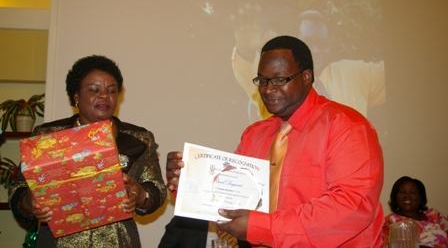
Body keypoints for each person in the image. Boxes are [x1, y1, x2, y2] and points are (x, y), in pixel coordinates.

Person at [167, 35, 384, 247]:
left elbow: (350, 207)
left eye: (280, 79)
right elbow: (234, 195)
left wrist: (262, 227)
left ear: (306, 77)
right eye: (262, 80)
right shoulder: (254, 135)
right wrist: (188, 183)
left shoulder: (347, 126)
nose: (268, 89)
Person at [8, 55, 167, 248]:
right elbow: (17, 188)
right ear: (76, 95)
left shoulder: (138, 139)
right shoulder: (47, 136)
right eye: (94, 90)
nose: (105, 96)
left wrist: (142, 195)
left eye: (112, 91)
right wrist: (29, 202)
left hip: (119, 242)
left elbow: (157, 188)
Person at [231, 7, 385, 121]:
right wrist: (246, 48)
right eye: (308, 42)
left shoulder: (354, 74)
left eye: (323, 44)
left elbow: (398, 75)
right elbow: (248, 71)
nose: (316, 51)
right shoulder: (275, 77)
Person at [383, 176, 448, 248]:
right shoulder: (389, 222)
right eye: (402, 192)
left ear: (420, 197)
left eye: (412, 192)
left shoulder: (434, 214)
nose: (407, 195)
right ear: (396, 197)